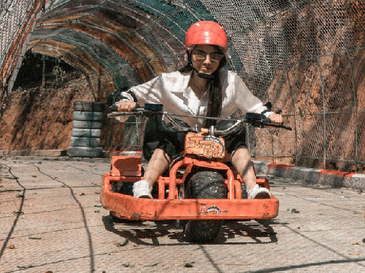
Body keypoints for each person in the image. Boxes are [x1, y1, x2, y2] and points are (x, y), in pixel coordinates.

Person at [114, 20, 284, 199]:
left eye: (215, 56)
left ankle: (252, 188)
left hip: (216, 141)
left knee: (238, 143)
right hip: (179, 141)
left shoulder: (231, 82)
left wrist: (269, 115)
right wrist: (125, 102)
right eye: (200, 54)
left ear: (223, 59)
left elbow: (255, 106)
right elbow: (133, 93)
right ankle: (144, 185)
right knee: (168, 141)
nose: (208, 62)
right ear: (189, 54)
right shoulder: (168, 82)